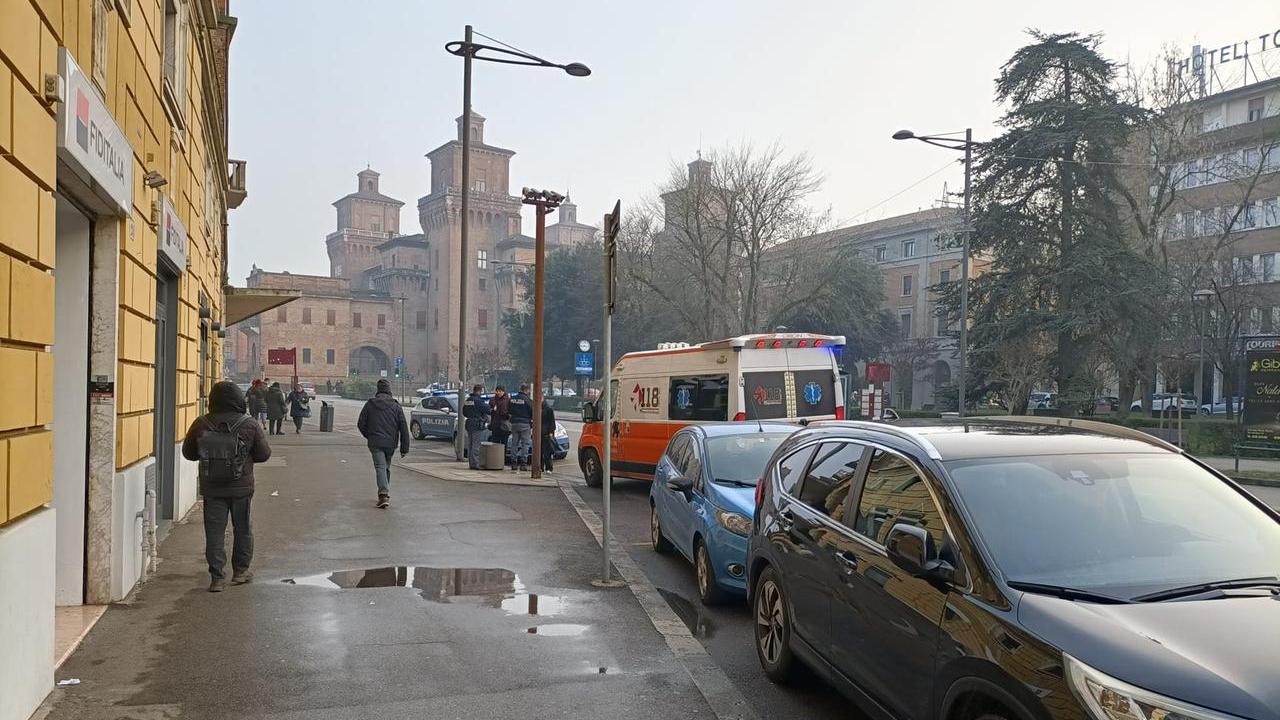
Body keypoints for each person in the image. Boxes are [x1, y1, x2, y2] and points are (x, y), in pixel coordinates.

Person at [181, 381, 271, 592]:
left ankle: (217, 578)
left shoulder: (201, 423)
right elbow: (264, 455)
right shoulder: (248, 424)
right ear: (239, 399)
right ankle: (241, 571)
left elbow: (189, 453)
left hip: (212, 488)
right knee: (243, 529)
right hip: (241, 488)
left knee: (214, 532)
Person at [357, 378, 411, 508]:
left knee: (382, 467)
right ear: (389, 390)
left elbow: (361, 423)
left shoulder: (370, 404)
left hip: (375, 442)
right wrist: (405, 448)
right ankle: (384, 492)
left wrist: (369, 435)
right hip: (390, 443)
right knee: (384, 466)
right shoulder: (396, 406)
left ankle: (383, 494)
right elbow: (403, 428)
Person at [462, 384, 490, 470]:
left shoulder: (468, 400)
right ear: (480, 390)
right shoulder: (478, 401)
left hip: (469, 423)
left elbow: (464, 412)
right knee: (476, 445)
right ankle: (476, 464)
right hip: (476, 424)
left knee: (470, 444)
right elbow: (487, 409)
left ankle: (471, 464)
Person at [508, 384, 534, 471]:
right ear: (526, 391)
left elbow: (508, 409)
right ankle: (523, 463)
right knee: (525, 444)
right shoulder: (527, 400)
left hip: (514, 423)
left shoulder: (512, 398)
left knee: (514, 444)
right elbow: (532, 411)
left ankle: (513, 463)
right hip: (525, 423)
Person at [488, 385, 511, 451]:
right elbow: (489, 410)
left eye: (500, 391)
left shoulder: (508, 400)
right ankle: (496, 459)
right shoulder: (492, 400)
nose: (498, 392)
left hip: (505, 426)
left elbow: (511, 411)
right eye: (497, 391)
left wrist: (507, 415)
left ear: (503, 391)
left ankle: (502, 459)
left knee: (504, 444)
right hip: (495, 425)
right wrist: (492, 410)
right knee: (495, 444)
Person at [540, 397, 558, 472]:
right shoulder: (545, 407)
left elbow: (552, 421)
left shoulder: (548, 408)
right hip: (543, 432)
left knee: (546, 452)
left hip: (546, 432)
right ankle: (541, 467)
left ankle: (548, 467)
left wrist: (551, 432)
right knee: (541, 452)